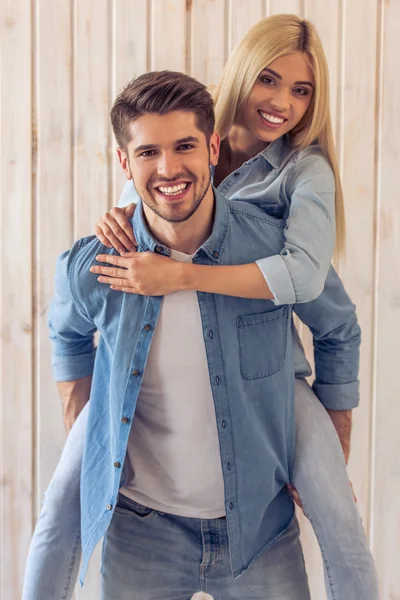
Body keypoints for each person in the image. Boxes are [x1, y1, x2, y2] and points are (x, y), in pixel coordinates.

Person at [21, 15, 378, 600]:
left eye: (301, 90)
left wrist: (338, 425)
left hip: (272, 375)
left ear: (208, 149)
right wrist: (80, 406)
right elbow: (145, 192)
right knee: (60, 505)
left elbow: (312, 284)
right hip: (145, 529)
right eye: (269, 80)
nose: (281, 102)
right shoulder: (112, 250)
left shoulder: (299, 174)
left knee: (341, 517)